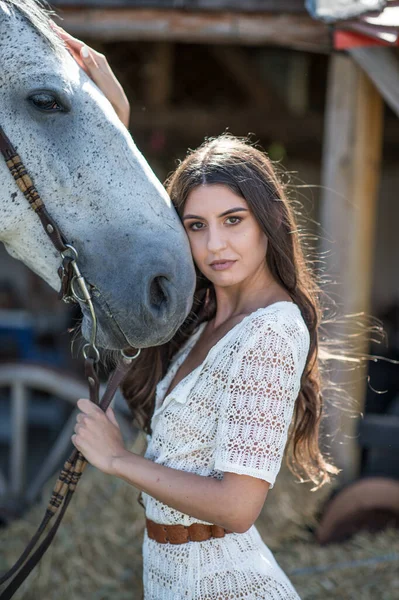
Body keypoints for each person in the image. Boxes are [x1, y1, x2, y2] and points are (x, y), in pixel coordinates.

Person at [55, 25, 338, 599]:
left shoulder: (271, 329)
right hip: (172, 577)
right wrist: (117, 118)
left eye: (234, 220)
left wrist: (117, 460)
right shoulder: (206, 318)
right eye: (196, 226)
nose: (215, 246)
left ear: (269, 222)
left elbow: (237, 506)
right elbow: (134, 219)